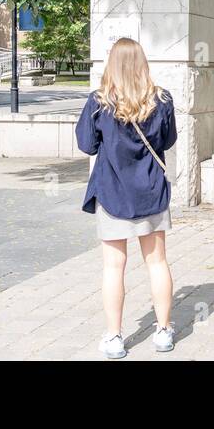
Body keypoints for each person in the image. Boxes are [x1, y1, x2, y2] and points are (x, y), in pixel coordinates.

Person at [75, 38, 178, 359]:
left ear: (112, 64)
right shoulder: (161, 100)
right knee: (157, 262)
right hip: (150, 192)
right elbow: (168, 139)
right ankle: (162, 332)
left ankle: (115, 336)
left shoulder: (99, 102)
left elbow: (86, 144)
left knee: (113, 267)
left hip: (112, 193)